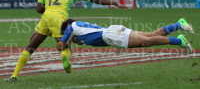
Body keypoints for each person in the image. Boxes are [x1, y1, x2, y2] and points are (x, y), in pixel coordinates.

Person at [5, 0, 129, 82]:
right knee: (65, 45)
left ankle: (14, 75)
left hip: (46, 18)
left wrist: (49, 9)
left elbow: (38, 9)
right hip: (59, 19)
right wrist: (113, 2)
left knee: (31, 47)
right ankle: (65, 57)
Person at [56, 18, 194, 72]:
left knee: (148, 41)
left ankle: (180, 41)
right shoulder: (78, 26)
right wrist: (74, 40)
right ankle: (179, 24)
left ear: (66, 27)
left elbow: (61, 46)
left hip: (112, 36)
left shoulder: (70, 28)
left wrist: (61, 38)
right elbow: (85, 37)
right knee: (150, 36)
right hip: (113, 32)